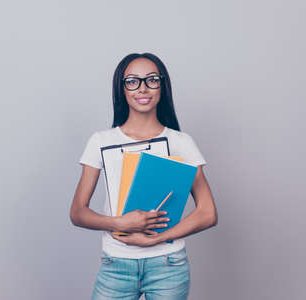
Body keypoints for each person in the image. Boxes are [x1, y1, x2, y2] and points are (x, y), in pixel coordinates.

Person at [70, 53, 218, 300]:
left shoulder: (181, 142)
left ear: (162, 86)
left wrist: (158, 238)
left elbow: (208, 212)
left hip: (168, 265)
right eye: (132, 81)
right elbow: (77, 212)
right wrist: (119, 223)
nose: (143, 88)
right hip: (116, 264)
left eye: (152, 80)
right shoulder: (101, 141)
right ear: (122, 88)